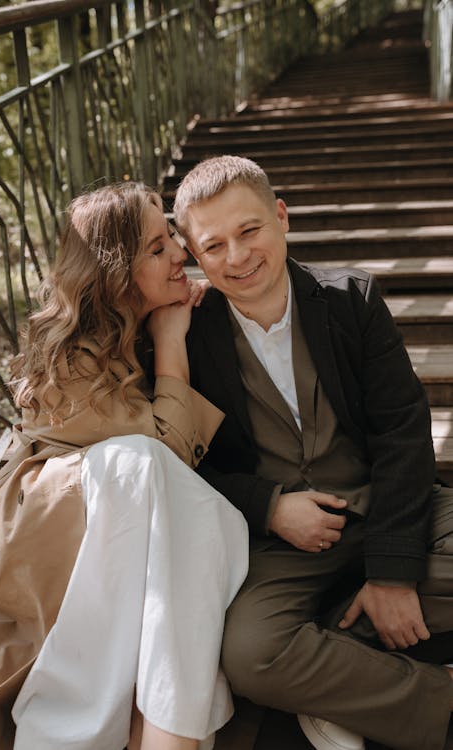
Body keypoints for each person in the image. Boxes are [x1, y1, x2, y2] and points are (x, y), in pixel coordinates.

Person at [0, 182, 248, 750]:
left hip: (118, 516)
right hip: (40, 522)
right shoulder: (70, 351)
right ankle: (159, 733)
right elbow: (168, 455)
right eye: (158, 249)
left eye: (174, 240)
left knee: (206, 519)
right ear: (115, 271)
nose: (180, 255)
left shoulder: (144, 324)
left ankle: (159, 728)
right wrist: (169, 343)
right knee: (141, 467)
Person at [172, 155, 453, 750]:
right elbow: (184, 467)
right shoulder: (188, 338)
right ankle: (438, 708)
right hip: (281, 543)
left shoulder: (351, 300)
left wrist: (391, 573)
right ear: (195, 257)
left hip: (388, 506)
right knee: (249, 653)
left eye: (249, 231)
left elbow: (404, 432)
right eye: (213, 246)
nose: (237, 257)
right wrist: (268, 506)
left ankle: (337, 663)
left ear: (281, 217)